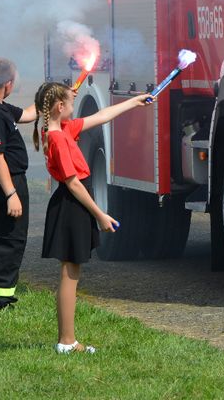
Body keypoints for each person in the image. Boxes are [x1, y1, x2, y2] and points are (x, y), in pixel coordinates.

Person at [33, 80, 153, 354]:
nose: (75, 108)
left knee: (72, 270)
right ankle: (67, 341)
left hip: (73, 203)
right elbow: (73, 183)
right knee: (70, 271)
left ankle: (67, 340)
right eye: (71, 104)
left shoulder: (61, 129)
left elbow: (100, 116)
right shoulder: (59, 138)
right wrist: (100, 214)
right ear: (59, 107)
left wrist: (134, 102)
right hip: (73, 204)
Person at [0, 57, 36, 308]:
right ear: (8, 83)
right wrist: (11, 194)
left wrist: (51, 96)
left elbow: (29, 115)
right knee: (9, 238)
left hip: (3, 182)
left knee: (0, 237)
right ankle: (1, 298)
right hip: (4, 184)